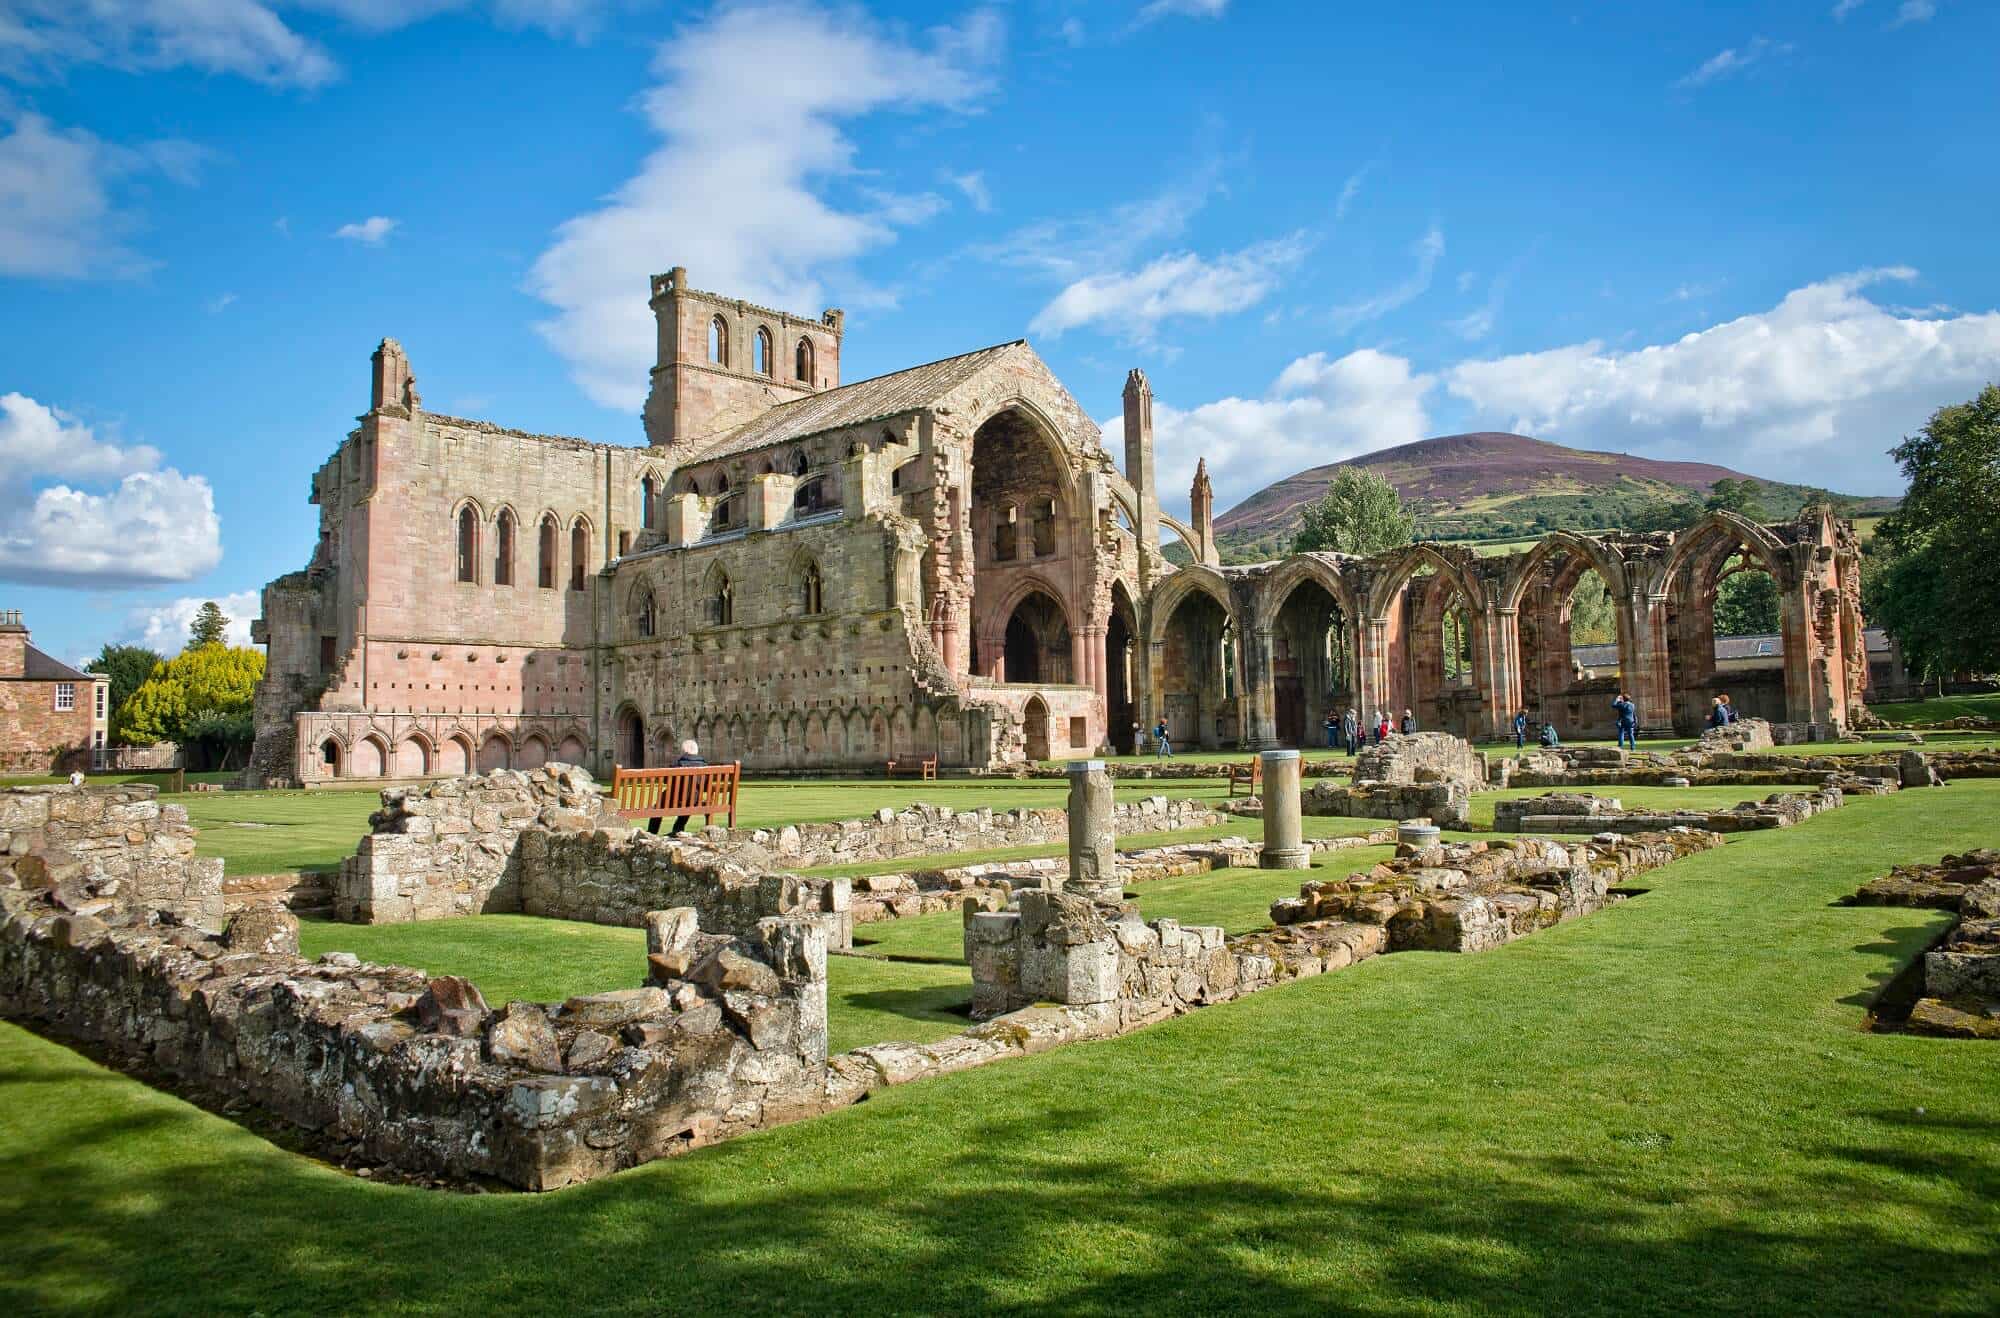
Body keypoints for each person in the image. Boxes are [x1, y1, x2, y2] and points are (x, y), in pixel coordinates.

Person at [649, 738, 707, 836]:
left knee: (658, 806)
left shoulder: (677, 765)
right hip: (694, 801)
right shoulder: (705, 766)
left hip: (675, 801)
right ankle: (678, 829)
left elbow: (667, 781)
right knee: (689, 801)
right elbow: (705, 786)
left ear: (684, 751)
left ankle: (651, 832)